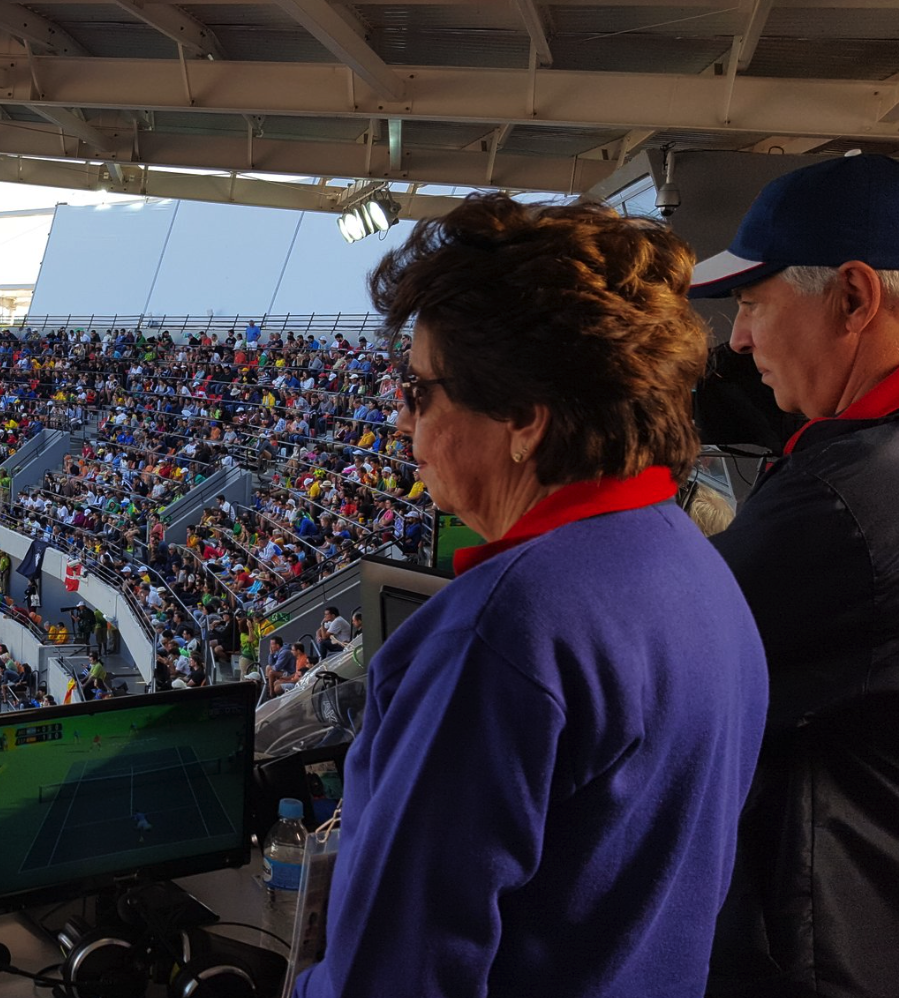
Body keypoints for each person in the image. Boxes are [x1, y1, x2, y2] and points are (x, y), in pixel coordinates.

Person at [292, 195, 767, 998]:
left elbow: (392, 979)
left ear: (523, 419)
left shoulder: (502, 631)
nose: (403, 425)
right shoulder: (697, 563)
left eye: (420, 392)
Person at [689, 153, 899, 998]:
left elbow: (659, 670)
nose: (737, 340)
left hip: (836, 945)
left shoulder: (846, 496)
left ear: (854, 297)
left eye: (750, 304)